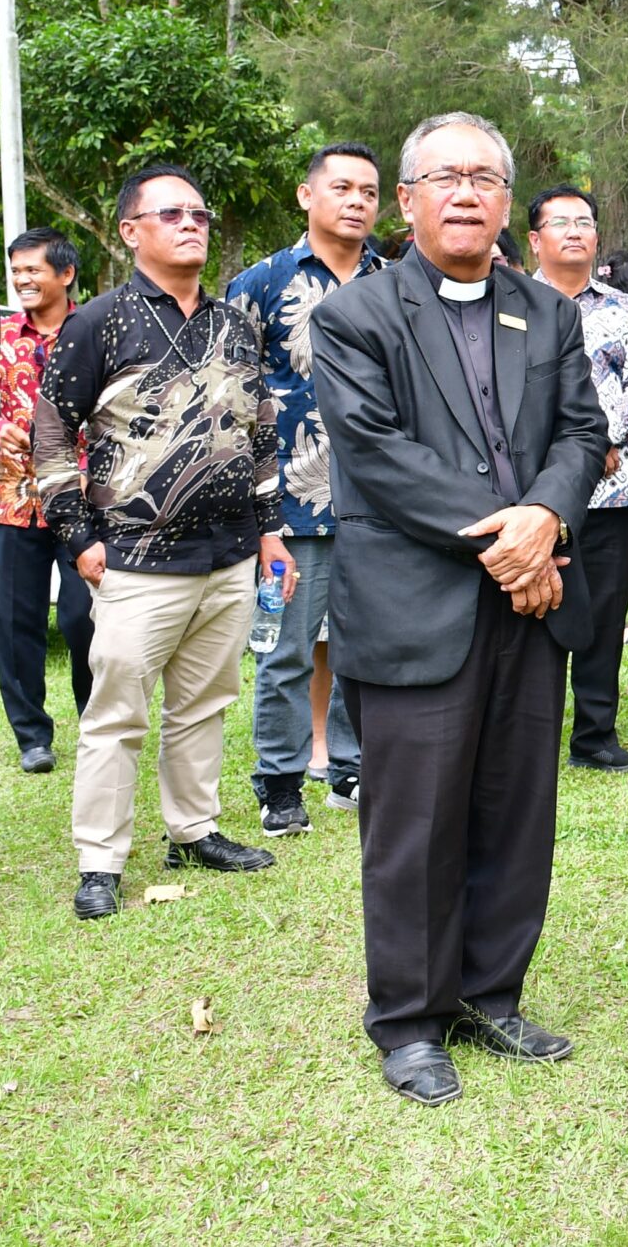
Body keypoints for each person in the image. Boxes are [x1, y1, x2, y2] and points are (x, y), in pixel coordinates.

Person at [314, 111, 608, 1106]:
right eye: (447, 175)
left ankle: (491, 991)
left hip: (528, 607)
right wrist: (515, 537)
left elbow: (582, 428)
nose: (469, 192)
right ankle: (407, 1018)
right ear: (407, 199)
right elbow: (377, 454)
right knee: (414, 825)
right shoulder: (358, 314)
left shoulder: (547, 311)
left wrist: (546, 514)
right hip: (417, 602)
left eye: (487, 176)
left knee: (515, 809)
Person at [36, 165, 291, 921]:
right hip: (136, 558)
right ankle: (100, 860)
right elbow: (51, 431)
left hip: (228, 554)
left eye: (200, 215)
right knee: (116, 715)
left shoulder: (235, 323)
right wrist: (77, 536)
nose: (192, 224)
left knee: (205, 703)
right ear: (130, 231)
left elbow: (259, 428)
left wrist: (270, 529)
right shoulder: (100, 323)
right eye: (172, 213)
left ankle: (194, 828)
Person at [226, 142, 386, 837]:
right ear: (306, 195)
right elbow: (229, 401)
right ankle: (281, 782)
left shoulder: (398, 280)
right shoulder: (260, 282)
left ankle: (352, 769)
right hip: (289, 502)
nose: (357, 201)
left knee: (369, 645)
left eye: (369, 192)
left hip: (384, 500)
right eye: (343, 187)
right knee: (285, 649)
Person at [529, 184, 628, 774]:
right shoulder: (510, 303)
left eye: (585, 221)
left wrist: (602, 440)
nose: (576, 231)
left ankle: (595, 737)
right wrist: (572, 454)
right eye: (561, 222)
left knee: (605, 614)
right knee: (536, 613)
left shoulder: (623, 307)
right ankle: (528, 738)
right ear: (535, 239)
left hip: (613, 489)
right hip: (533, 493)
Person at [0, 227, 96, 775]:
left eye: (34, 270)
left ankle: (97, 720)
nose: (23, 279)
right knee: (11, 618)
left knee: (84, 616)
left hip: (85, 495)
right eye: (17, 270)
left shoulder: (97, 329)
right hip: (10, 496)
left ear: (65, 274)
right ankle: (32, 736)